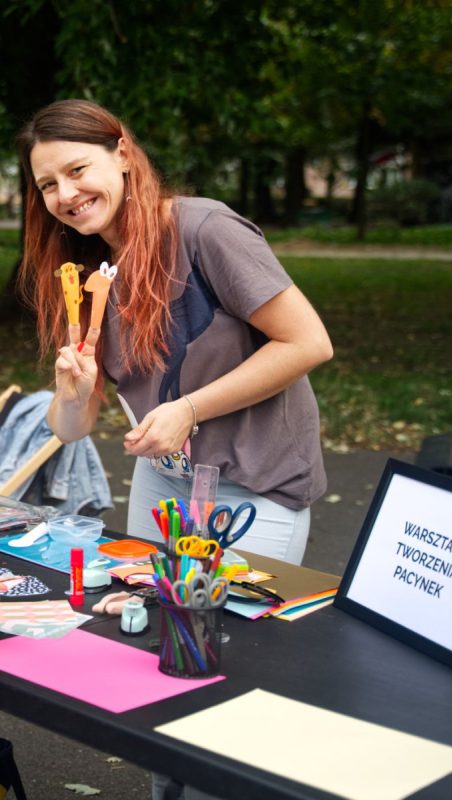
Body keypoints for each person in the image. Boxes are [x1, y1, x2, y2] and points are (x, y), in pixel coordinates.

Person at [17, 99, 333, 800]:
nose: (65, 196)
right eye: (47, 186)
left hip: (253, 491)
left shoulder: (203, 229)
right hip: (165, 487)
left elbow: (308, 342)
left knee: (224, 672)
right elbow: (72, 431)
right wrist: (72, 391)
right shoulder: (90, 270)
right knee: (160, 666)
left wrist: (187, 408)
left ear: (122, 154)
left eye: (77, 170)